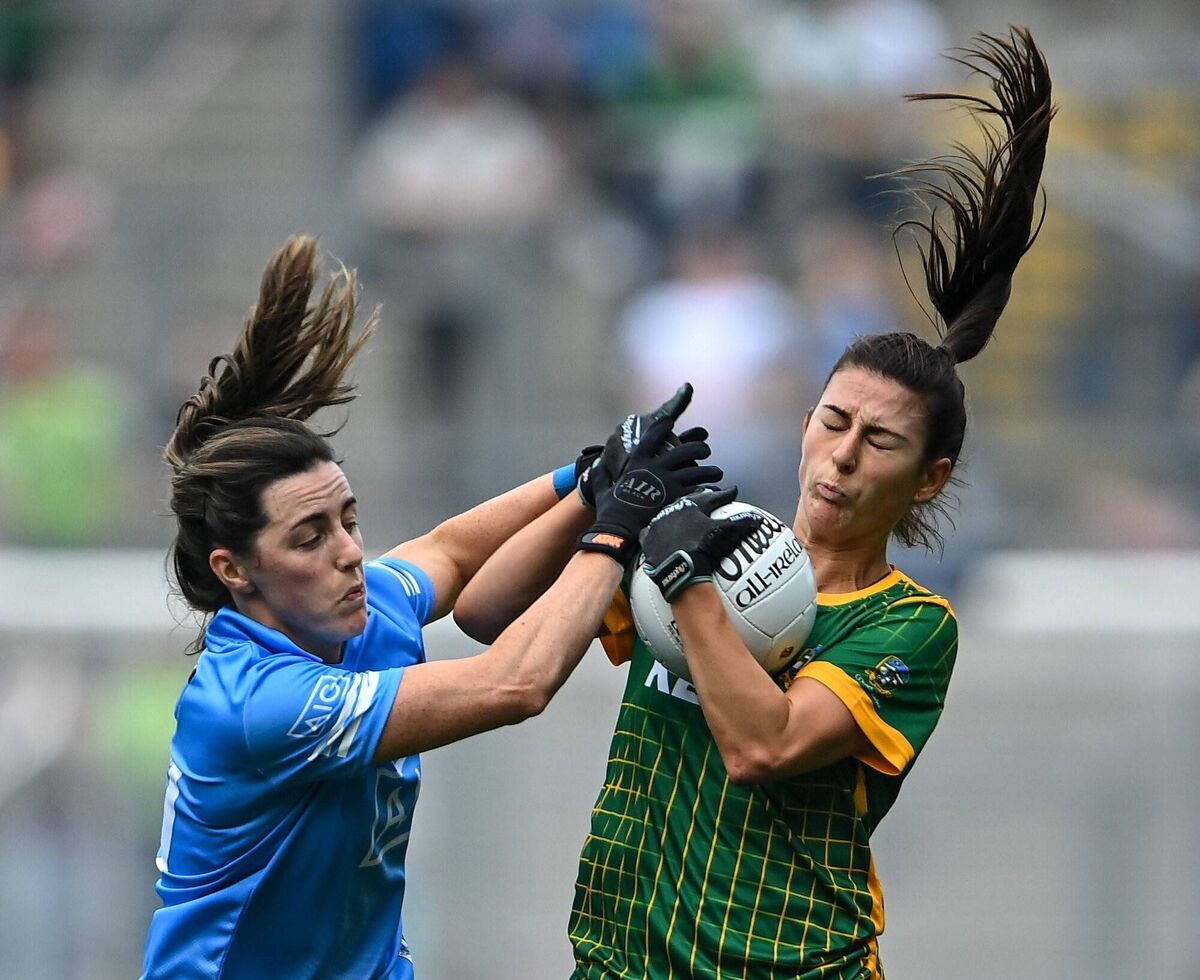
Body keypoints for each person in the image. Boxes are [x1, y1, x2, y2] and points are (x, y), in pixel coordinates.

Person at [454, 27, 1054, 977]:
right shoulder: (710, 539)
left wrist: (687, 578)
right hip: (618, 964)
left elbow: (763, 747)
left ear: (928, 479)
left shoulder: (907, 626)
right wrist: (596, 494)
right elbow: (487, 613)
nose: (842, 455)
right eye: (832, 419)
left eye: (881, 440)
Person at [140, 235, 725, 979]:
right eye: (310, 537)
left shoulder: (354, 605)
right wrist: (613, 528)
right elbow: (515, 683)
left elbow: (450, 553)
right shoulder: (258, 703)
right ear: (235, 570)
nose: (350, 551)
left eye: (349, 519)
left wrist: (586, 477)